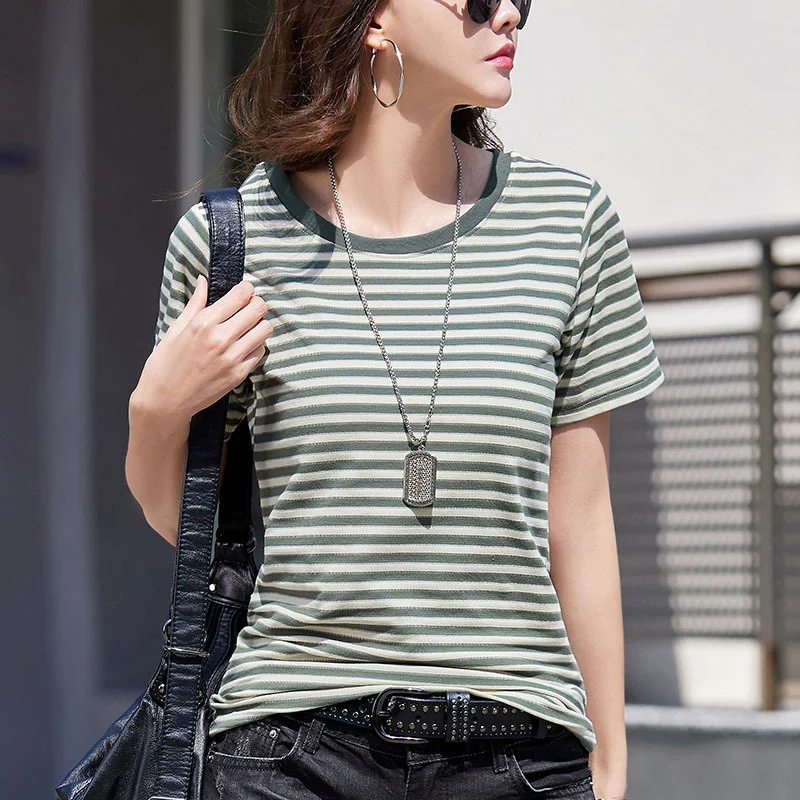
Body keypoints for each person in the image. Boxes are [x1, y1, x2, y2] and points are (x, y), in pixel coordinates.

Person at [126, 1, 664, 798]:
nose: (507, 15)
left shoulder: (568, 225)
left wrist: (610, 760)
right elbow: (188, 524)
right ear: (376, 20)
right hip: (290, 750)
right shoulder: (234, 243)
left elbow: (580, 522)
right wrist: (155, 411)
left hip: (518, 751)